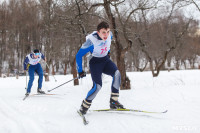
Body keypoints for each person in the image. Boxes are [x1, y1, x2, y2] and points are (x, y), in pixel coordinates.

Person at [76, 21, 125, 115]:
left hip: (105, 61)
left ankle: (114, 102)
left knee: (117, 74)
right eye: (103, 32)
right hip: (95, 63)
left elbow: (107, 44)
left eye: (107, 31)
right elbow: (78, 56)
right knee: (97, 86)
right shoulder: (90, 41)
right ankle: (84, 107)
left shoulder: (110, 35)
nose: (106, 34)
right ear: (98, 32)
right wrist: (80, 71)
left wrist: (108, 52)